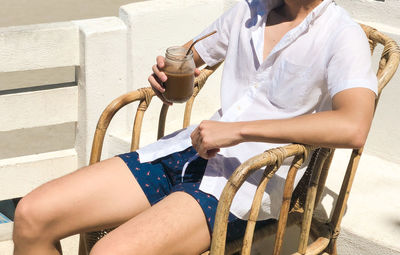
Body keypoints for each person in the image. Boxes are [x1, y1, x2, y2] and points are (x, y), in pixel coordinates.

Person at [12, 0, 377, 254]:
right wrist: (166, 78)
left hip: (248, 180)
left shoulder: (340, 35)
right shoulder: (248, 12)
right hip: (187, 150)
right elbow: (188, 57)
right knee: (33, 214)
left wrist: (240, 130)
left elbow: (352, 125)